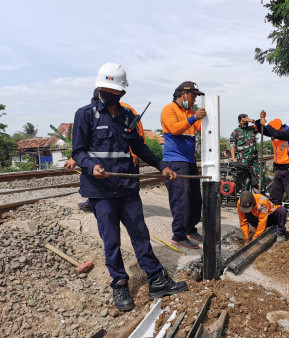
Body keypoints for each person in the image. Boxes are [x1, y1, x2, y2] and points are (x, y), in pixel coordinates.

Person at [71, 63, 187, 312]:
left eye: (116, 90)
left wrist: (160, 165)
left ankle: (156, 279)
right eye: (107, 88)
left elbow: (140, 147)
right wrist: (91, 167)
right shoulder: (85, 115)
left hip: (127, 187)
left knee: (140, 234)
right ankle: (120, 282)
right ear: (100, 87)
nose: (112, 93)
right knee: (111, 240)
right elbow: (78, 152)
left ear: (122, 93)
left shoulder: (126, 117)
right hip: (100, 191)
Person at [65, 89, 146, 211]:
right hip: (101, 162)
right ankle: (93, 201)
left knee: (124, 190)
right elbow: (84, 144)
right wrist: (74, 158)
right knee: (99, 181)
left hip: (125, 157)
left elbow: (136, 134)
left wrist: (134, 153)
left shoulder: (125, 111)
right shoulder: (89, 113)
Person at [161, 81, 206, 249]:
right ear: (184, 94)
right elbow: (174, 129)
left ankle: (190, 228)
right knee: (181, 199)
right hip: (175, 161)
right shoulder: (169, 109)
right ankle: (178, 235)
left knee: (195, 198)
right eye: (193, 96)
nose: (194, 100)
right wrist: (194, 117)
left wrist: (208, 120)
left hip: (189, 160)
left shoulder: (190, 112)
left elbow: (201, 128)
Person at [255, 111, 289, 230]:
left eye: (276, 130)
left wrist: (266, 124)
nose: (274, 133)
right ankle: (276, 219)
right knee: (274, 196)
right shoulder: (275, 132)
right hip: (279, 170)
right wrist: (258, 121)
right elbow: (263, 130)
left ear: (281, 127)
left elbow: (276, 133)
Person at [229, 113, 266, 192]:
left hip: (255, 158)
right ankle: (245, 197)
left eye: (246, 121)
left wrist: (251, 120)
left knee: (261, 175)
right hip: (243, 159)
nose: (245, 123)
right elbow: (232, 146)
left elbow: (262, 124)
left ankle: (262, 194)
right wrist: (234, 159)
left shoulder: (252, 129)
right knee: (244, 179)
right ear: (239, 122)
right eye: (243, 121)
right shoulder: (235, 132)